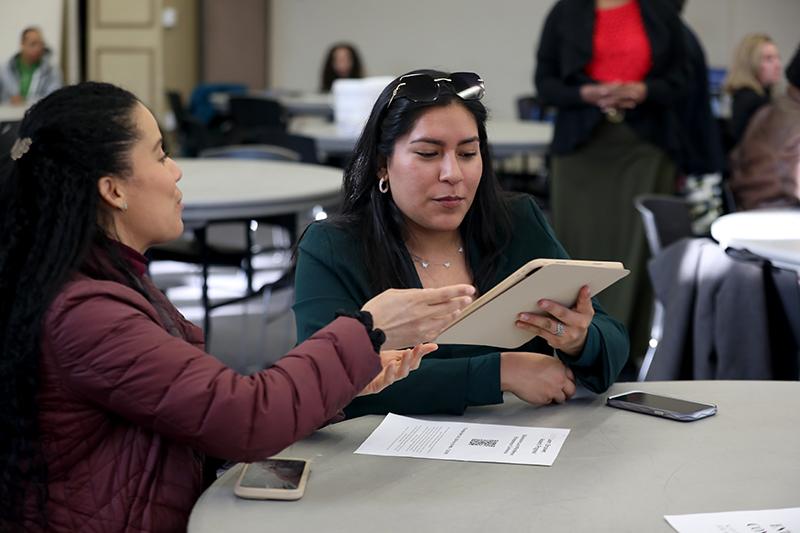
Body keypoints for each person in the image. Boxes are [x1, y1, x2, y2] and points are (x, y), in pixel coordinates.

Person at [0, 82, 476, 532]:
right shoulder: (87, 313)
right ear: (114, 190)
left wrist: (348, 374)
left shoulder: (109, 281)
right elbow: (245, 418)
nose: (176, 169)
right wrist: (368, 329)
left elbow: (209, 402)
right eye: (161, 155)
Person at [293, 70, 629, 419]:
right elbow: (317, 385)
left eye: (468, 153)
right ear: (382, 165)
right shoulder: (333, 247)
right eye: (427, 153)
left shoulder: (517, 223)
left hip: (522, 453)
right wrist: (500, 372)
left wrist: (578, 340)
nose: (452, 173)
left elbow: (613, 344)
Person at [534, 0, 686, 363]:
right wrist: (586, 94)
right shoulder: (565, 11)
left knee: (638, 248)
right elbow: (545, 84)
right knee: (575, 244)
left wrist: (643, 91)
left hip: (644, 146)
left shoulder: (659, 11)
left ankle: (631, 350)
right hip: (581, 145)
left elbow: (682, 81)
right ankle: (569, 342)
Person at [669, 0, 725, 233]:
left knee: (693, 239)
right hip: (700, 160)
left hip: (693, 164)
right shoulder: (683, 36)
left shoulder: (674, 40)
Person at [730, 45, 800, 210]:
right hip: (778, 217)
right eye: (768, 58)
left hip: (751, 208)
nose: (777, 64)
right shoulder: (793, 123)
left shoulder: (770, 110)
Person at [723, 34, 783, 147]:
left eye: (778, 57)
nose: (778, 65)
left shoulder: (743, 96)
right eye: (768, 59)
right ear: (750, 63)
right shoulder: (753, 101)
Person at [0, 27, 62, 105]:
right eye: (33, 44)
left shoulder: (52, 71)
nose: (38, 48)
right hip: (7, 116)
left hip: (38, 115)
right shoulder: (5, 70)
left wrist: (25, 102)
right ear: (22, 45)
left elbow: (54, 98)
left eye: (41, 44)